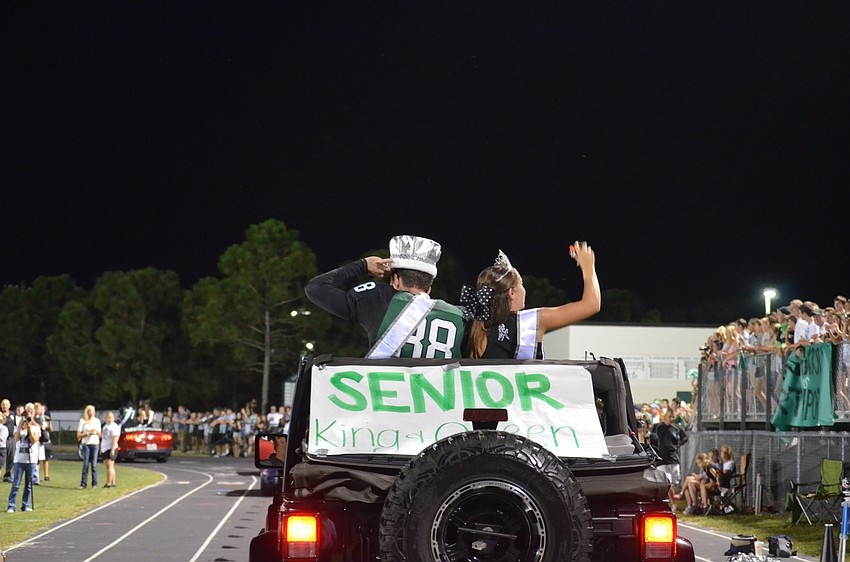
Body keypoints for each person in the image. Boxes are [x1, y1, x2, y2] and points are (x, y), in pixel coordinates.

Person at [305, 234, 466, 358]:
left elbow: (315, 288)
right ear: (429, 288)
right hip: (436, 400)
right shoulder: (460, 315)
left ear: (395, 280)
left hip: (387, 399)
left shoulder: (378, 299)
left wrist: (363, 265)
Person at [463, 241, 600, 359]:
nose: (524, 289)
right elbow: (592, 304)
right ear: (511, 292)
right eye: (521, 284)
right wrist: (588, 267)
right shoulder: (534, 322)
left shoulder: (477, 328)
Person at [649, 408, 688, 512]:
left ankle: (672, 503)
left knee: (673, 484)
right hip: (662, 460)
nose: (671, 419)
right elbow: (652, 437)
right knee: (667, 483)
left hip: (673, 459)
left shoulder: (676, 428)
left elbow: (685, 438)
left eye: (673, 417)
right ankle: (672, 503)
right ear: (665, 417)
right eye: (669, 416)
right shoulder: (658, 427)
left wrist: (678, 445)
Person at [6, 405, 41, 513]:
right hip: (19, 460)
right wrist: (21, 423)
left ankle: (25, 505)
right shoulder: (18, 428)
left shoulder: (35, 428)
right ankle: (11, 505)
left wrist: (29, 428)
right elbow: (16, 439)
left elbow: (34, 440)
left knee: (28, 485)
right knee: (16, 484)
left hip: (31, 460)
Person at [76, 405, 101, 489]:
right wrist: (87, 433)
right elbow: (78, 435)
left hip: (95, 444)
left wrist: (96, 432)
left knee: (94, 464)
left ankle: (95, 483)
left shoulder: (97, 421)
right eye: (91, 411)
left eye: (93, 411)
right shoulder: (83, 421)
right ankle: (83, 483)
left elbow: (100, 434)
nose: (92, 413)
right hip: (86, 444)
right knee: (85, 464)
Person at [100, 411, 120, 488]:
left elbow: (115, 438)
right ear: (106, 419)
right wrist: (101, 448)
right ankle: (113, 482)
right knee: (108, 466)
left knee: (110, 466)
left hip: (111, 448)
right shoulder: (105, 427)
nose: (110, 419)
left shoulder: (114, 427)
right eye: (108, 417)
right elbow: (103, 438)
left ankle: (109, 483)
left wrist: (112, 450)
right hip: (105, 448)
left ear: (114, 418)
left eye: (111, 417)